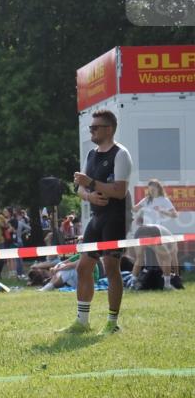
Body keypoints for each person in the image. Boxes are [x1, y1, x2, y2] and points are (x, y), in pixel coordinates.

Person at [61, 108, 132, 334]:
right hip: (96, 217)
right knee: (83, 268)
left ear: (108, 129)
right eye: (90, 127)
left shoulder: (121, 154)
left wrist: (91, 183)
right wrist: (89, 194)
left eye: (95, 127)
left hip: (115, 218)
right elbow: (80, 188)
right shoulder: (91, 154)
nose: (90, 130)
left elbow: (120, 191)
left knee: (112, 269)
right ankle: (82, 321)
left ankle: (112, 323)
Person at [133, 179, 182, 289]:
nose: (151, 191)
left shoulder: (164, 200)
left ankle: (175, 278)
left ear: (159, 188)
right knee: (143, 258)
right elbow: (135, 209)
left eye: (153, 189)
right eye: (149, 189)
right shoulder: (146, 200)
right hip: (146, 231)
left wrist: (162, 211)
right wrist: (139, 214)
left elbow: (175, 214)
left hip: (157, 231)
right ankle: (167, 283)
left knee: (169, 254)